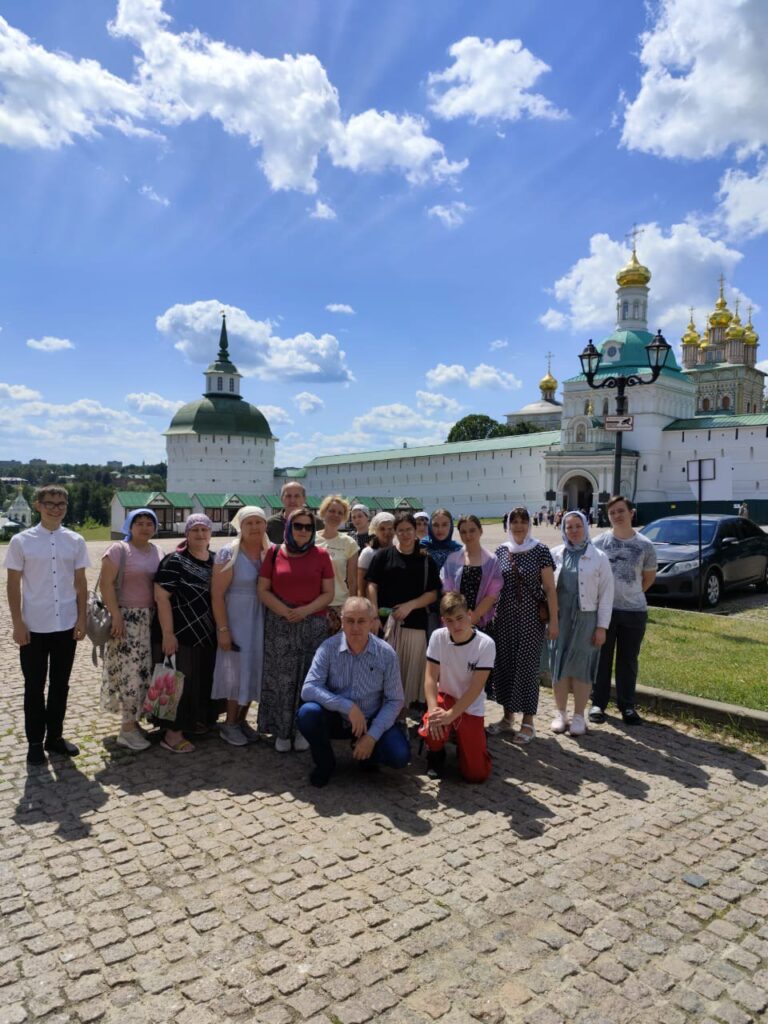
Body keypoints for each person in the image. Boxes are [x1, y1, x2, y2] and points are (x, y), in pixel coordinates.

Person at [5, 485, 89, 764]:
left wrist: (82, 618)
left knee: (60, 685)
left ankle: (55, 737)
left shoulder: (75, 540)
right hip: (34, 626)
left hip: (65, 624)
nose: (56, 507)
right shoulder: (21, 541)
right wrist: (18, 623)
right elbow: (13, 585)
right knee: (34, 686)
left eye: (61, 503)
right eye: (50, 503)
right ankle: (33, 742)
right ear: (38, 505)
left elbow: (80, 582)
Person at [297, 597, 410, 787]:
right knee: (308, 714)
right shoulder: (328, 648)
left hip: (370, 719)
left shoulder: (386, 653)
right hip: (338, 718)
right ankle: (325, 763)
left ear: (372, 622)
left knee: (400, 756)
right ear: (341, 621)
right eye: (350, 620)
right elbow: (309, 688)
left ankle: (367, 754)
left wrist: (372, 736)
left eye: (361, 621)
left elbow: (395, 700)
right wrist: (347, 706)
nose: (355, 627)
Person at [257, 507, 334, 751]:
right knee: (281, 678)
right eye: (297, 525)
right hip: (280, 623)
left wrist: (305, 610)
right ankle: (281, 731)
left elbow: (328, 593)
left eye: (308, 527)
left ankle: (303, 729)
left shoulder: (321, 554)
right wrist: (284, 611)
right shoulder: (274, 552)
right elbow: (263, 589)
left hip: (312, 622)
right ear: (289, 527)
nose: (303, 531)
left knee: (308, 678)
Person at [487, 507, 558, 744]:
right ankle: (508, 717)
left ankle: (528, 721)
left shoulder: (540, 551)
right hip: (505, 618)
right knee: (505, 664)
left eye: (523, 521)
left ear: (529, 524)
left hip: (530, 620)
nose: (518, 526)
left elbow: (549, 589)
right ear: (508, 525)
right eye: (514, 521)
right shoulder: (501, 550)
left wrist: (554, 622)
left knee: (527, 667)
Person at [590, 496, 657, 726]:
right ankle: (598, 703)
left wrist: (630, 594)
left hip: (634, 611)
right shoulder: (599, 543)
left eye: (621, 511)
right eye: (612, 513)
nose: (617, 516)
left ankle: (627, 705)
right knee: (602, 659)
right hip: (604, 612)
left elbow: (648, 579)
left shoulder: (645, 545)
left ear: (631, 513)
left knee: (628, 660)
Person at [153, 514, 216, 753]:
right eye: (195, 530)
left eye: (204, 529)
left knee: (198, 681)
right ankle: (171, 733)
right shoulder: (174, 561)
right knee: (174, 681)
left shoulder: (215, 560)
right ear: (187, 534)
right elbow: (162, 597)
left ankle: (192, 722)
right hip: (179, 632)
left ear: (210, 533)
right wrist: (168, 634)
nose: (200, 534)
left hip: (205, 633)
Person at [100, 508, 162, 751]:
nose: (145, 527)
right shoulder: (119, 550)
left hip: (150, 617)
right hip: (126, 619)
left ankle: (134, 721)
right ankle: (126, 730)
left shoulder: (157, 550)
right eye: (140, 523)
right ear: (129, 525)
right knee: (129, 674)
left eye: (150, 523)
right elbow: (105, 585)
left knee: (144, 672)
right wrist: (116, 616)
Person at [418, 593, 496, 783]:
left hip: (470, 705)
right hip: (444, 697)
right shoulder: (438, 637)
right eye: (449, 621)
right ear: (443, 621)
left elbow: (476, 688)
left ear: (469, 614)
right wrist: (432, 711)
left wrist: (452, 715)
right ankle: (435, 755)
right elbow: (430, 677)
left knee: (476, 775)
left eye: (460, 618)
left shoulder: (485, 644)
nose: (456, 625)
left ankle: (467, 745)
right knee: (432, 724)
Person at [366, 512, 440, 709]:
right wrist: (373, 613)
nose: (405, 534)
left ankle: (401, 715)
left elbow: (433, 593)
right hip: (386, 625)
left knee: (408, 676)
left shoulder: (426, 559)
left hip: (415, 626)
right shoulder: (383, 555)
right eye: (401, 530)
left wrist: (410, 605)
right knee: (386, 674)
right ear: (395, 532)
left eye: (409, 530)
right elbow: (372, 584)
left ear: (416, 531)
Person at [549, 512, 613, 736]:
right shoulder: (555, 554)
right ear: (563, 530)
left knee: (582, 668)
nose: (574, 530)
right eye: (569, 527)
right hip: (560, 618)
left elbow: (606, 595)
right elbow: (546, 588)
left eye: (578, 526)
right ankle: (560, 713)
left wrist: (602, 627)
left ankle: (578, 715)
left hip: (587, 618)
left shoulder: (599, 557)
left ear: (586, 527)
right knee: (559, 665)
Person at [211, 506, 271, 747]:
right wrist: (223, 629)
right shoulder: (229, 553)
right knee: (236, 670)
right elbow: (216, 595)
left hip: (261, 617)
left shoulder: (270, 552)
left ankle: (241, 720)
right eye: (249, 523)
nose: (255, 527)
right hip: (236, 617)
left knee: (254, 668)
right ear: (241, 526)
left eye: (259, 522)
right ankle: (229, 723)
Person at [440, 514, 502, 629]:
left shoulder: (491, 560)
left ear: (481, 531)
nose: (468, 535)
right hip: (455, 622)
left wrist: (475, 616)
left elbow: (492, 594)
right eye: (463, 532)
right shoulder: (452, 559)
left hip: (480, 621)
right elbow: (447, 590)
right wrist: (459, 617)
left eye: (472, 530)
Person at [316, 495, 358, 632]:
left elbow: (352, 580)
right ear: (324, 512)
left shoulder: (349, 543)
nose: (335, 515)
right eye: (332, 511)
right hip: (314, 603)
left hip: (339, 604)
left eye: (340, 513)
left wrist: (352, 607)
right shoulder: (311, 539)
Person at [356, 511, 395, 597]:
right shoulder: (368, 553)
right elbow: (361, 587)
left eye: (390, 528)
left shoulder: (399, 550)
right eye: (382, 529)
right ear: (375, 531)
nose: (387, 532)